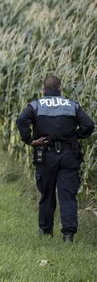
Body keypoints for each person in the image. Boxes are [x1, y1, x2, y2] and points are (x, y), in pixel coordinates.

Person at [16, 76, 94, 242]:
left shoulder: (35, 105)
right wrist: (76, 136)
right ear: (60, 88)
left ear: (44, 90)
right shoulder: (72, 105)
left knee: (47, 193)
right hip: (69, 155)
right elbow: (89, 124)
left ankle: (45, 231)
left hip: (45, 155)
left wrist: (29, 140)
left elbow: (21, 120)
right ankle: (68, 234)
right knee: (67, 195)